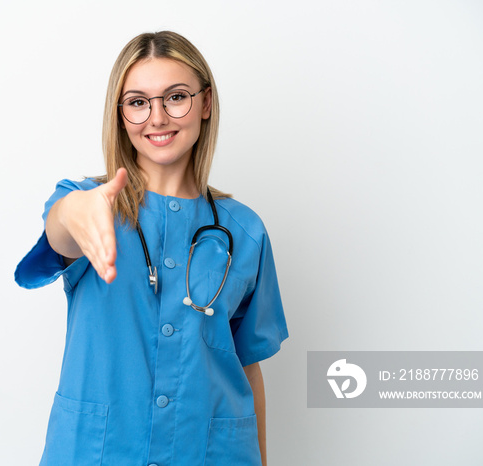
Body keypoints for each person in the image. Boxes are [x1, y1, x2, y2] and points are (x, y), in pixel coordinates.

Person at [15, 30, 288, 466]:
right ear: (121, 115)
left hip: (210, 453)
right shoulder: (89, 202)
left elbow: (247, 363)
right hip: (98, 452)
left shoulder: (245, 230)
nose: (157, 117)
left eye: (175, 97)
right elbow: (60, 231)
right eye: (138, 102)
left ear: (205, 103)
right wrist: (72, 212)